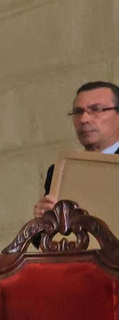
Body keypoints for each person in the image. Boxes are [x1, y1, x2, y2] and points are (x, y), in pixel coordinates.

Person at [34, 81, 119, 218]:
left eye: (96, 109)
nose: (84, 119)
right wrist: (42, 221)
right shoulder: (60, 171)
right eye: (78, 112)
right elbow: (52, 236)